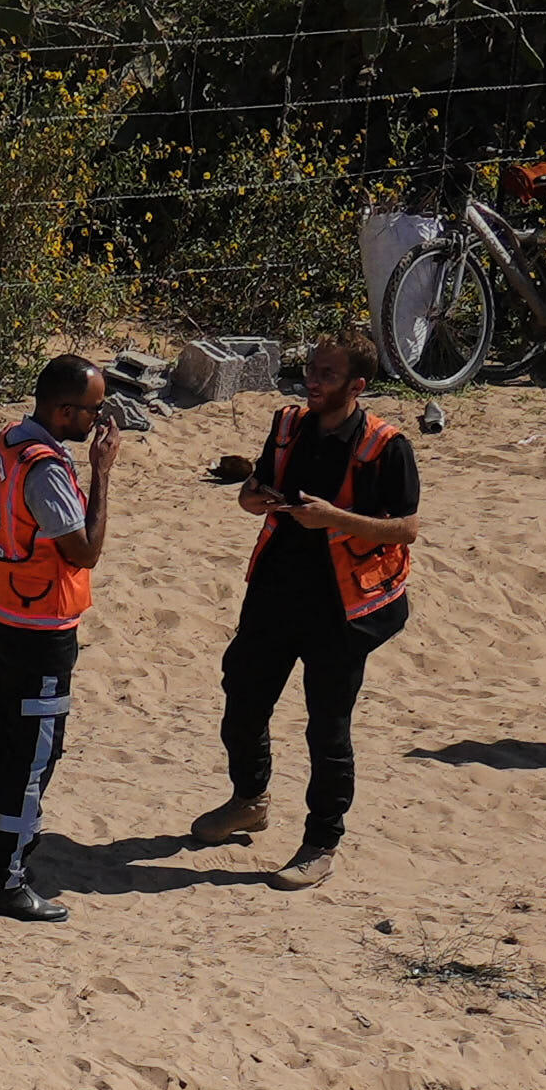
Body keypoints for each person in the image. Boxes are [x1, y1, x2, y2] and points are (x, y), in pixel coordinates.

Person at [178, 335, 416, 885]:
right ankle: (249, 799)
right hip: (275, 592)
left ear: (357, 385)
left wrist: (337, 517)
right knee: (241, 696)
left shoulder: (387, 446)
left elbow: (406, 528)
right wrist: (251, 499)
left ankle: (320, 843)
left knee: (327, 728)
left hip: (341, 608)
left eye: (326, 374)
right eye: (311, 368)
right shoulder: (288, 426)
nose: (312, 379)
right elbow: (255, 489)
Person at [0, 357, 113, 907]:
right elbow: (85, 551)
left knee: (2, 734)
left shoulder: (12, 441)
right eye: (94, 410)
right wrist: (102, 472)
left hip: (5, 608)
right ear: (64, 410)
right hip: (40, 625)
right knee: (33, 753)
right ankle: (6, 879)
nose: (99, 420)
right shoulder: (47, 469)